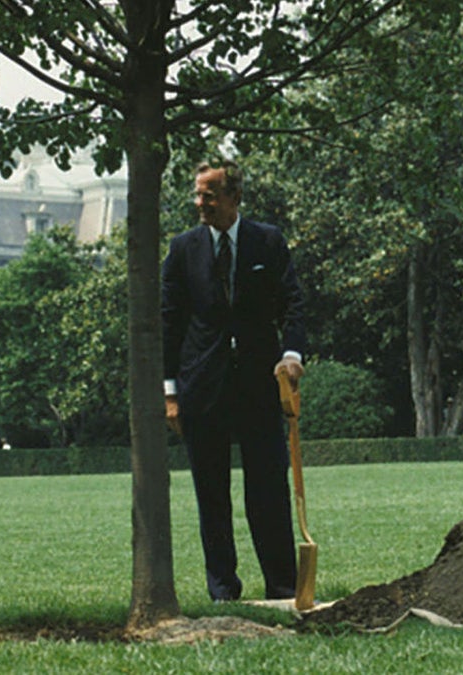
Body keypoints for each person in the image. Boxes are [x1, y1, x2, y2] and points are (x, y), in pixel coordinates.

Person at [161, 158, 307, 601]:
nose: (199, 202)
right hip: (201, 388)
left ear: (234, 197)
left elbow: (294, 304)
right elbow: (169, 323)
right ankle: (223, 587)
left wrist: (292, 354)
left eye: (209, 194)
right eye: (197, 193)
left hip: (259, 387)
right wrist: (170, 393)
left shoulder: (268, 241)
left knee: (267, 488)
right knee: (211, 492)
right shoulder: (183, 248)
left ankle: (282, 584)